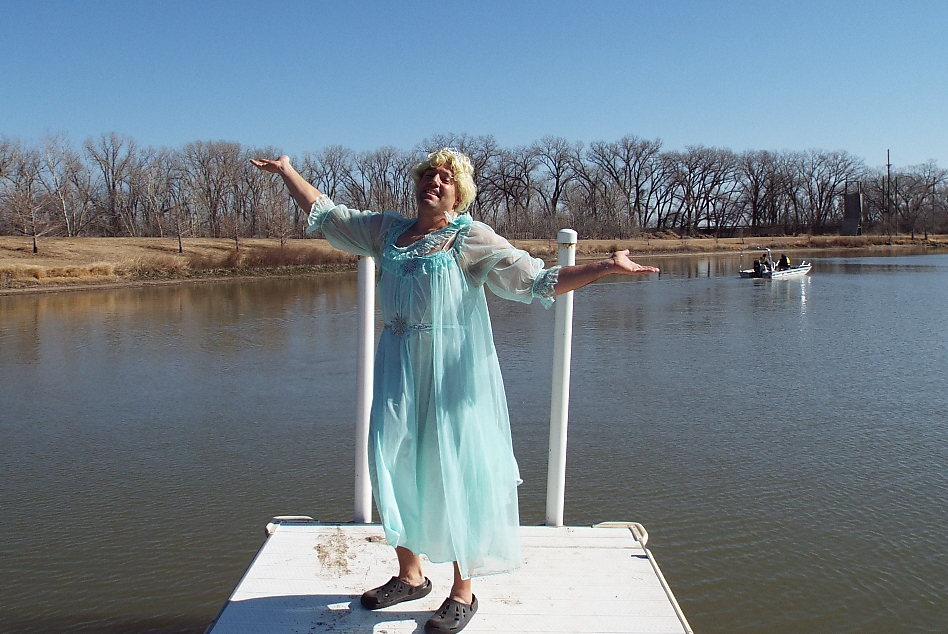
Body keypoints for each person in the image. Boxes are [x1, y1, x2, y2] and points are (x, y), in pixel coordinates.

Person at [252, 148, 659, 634]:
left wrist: (606, 267)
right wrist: (287, 171)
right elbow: (330, 215)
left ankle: (463, 590)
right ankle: (410, 575)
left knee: (458, 471)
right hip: (398, 371)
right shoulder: (387, 232)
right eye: (429, 174)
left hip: (453, 376)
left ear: (459, 193)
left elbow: (536, 280)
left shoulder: (470, 237)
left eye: (446, 178)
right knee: (394, 461)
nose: (435, 181)